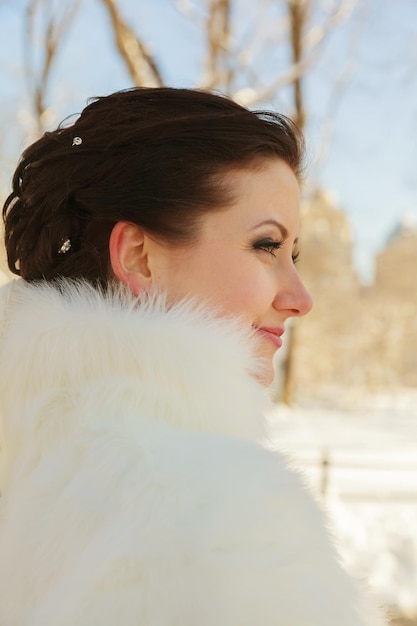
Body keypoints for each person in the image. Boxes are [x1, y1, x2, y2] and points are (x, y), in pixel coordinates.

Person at [0, 87, 384, 625]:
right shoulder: (216, 509)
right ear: (138, 257)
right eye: (266, 246)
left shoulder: (34, 472)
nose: (300, 299)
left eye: (291, 254)